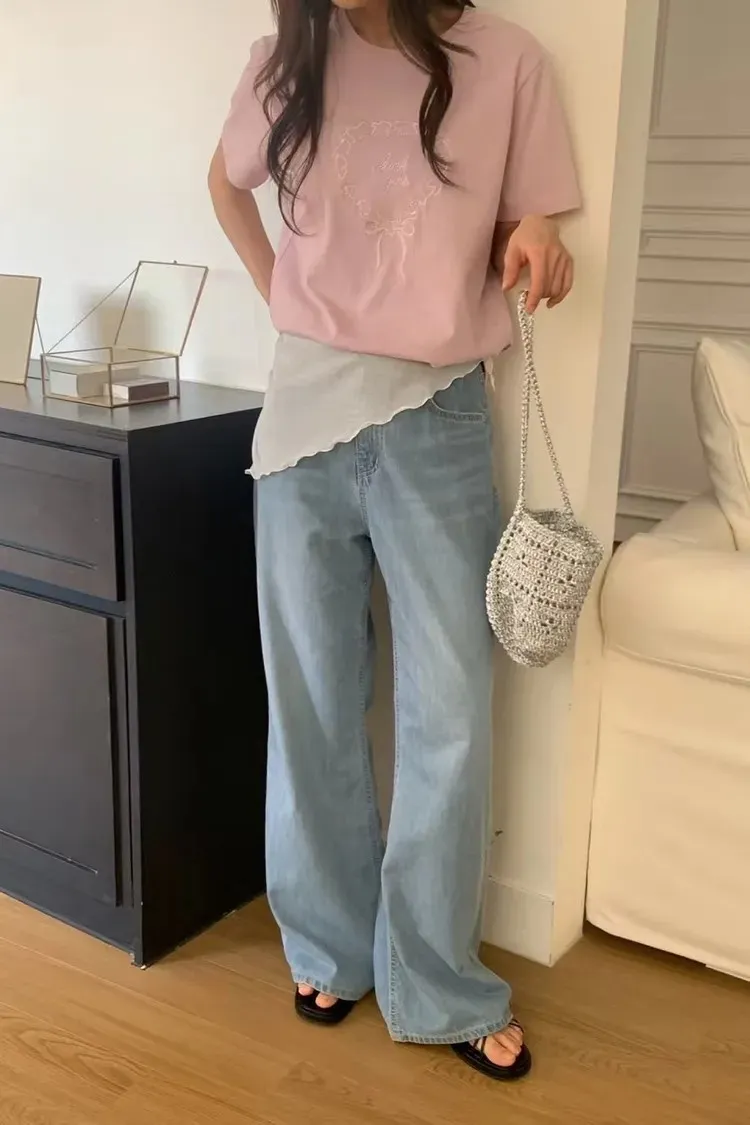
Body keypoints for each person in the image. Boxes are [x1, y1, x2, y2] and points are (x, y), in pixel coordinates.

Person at [209, 0, 580, 1083]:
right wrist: (278, 289)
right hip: (303, 414)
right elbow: (225, 182)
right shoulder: (286, 59)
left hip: (436, 413)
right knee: (312, 695)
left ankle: (438, 980)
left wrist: (537, 234)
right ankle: (328, 944)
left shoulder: (505, 61)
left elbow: (530, 216)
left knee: (449, 709)